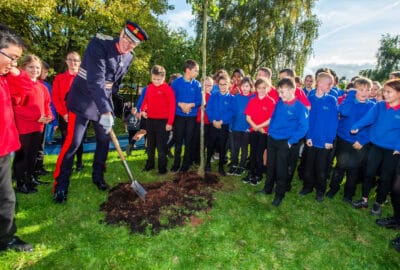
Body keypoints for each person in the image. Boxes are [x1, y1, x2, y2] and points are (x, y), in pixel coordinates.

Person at [53, 20, 148, 203]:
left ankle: (98, 177)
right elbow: (96, 81)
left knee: (104, 142)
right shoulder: (99, 44)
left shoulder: (129, 57)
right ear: (121, 33)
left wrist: (111, 106)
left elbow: (115, 83)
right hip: (82, 101)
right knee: (73, 143)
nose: (128, 45)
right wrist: (106, 110)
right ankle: (60, 186)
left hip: (103, 102)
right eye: (127, 39)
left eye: (133, 44)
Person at [0, 24, 33, 252]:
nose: (14, 63)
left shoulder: (4, 79)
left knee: (6, 198)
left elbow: (24, 91)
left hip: (3, 149)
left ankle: (6, 238)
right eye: (11, 57)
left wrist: (15, 71)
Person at [352, 79, 400, 215]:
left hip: (393, 151)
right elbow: (368, 118)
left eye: (389, 92)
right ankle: (364, 199)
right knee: (369, 173)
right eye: (384, 91)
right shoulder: (379, 106)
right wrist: (356, 126)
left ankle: (378, 203)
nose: (385, 94)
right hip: (376, 146)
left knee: (385, 178)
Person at [326, 78, 375, 203]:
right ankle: (333, 189)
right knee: (340, 166)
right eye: (360, 90)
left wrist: (363, 140)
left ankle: (348, 194)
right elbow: (344, 111)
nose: (364, 92)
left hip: (360, 143)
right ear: (355, 91)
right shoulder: (349, 102)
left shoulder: (373, 106)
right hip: (344, 140)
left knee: (354, 170)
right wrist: (351, 94)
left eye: (367, 90)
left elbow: (372, 126)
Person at [262, 78, 309, 206]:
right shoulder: (279, 103)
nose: (280, 95)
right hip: (272, 139)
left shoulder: (300, 108)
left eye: (283, 92)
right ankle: (267, 189)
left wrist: (291, 141)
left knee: (281, 169)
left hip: (285, 142)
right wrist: (270, 132)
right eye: (279, 92)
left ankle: (279, 194)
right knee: (270, 165)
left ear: (292, 90)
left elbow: (304, 127)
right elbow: (274, 118)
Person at [11, 54, 53, 194]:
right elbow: (15, 107)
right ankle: (20, 182)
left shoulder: (42, 87)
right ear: (23, 68)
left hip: (39, 126)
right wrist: (36, 116)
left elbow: (47, 104)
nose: (35, 70)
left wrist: (48, 116)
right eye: (31, 67)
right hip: (24, 127)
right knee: (23, 155)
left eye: (37, 67)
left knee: (34, 154)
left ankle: (31, 177)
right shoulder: (20, 86)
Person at [299, 72, 338, 202]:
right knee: (308, 167)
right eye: (329, 84)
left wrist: (329, 140)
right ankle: (308, 186)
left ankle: (320, 190)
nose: (331, 86)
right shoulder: (310, 98)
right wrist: (308, 137)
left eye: (331, 84)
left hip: (324, 142)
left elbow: (333, 122)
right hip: (311, 140)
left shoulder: (331, 100)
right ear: (320, 83)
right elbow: (307, 119)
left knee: (321, 169)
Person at [52, 51, 85, 172]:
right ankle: (67, 163)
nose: (73, 63)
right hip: (64, 115)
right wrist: (64, 113)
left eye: (76, 60)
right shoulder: (59, 78)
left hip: (81, 115)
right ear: (66, 61)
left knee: (79, 140)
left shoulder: (84, 79)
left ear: (80, 63)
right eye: (70, 59)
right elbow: (55, 98)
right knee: (66, 140)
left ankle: (79, 162)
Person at [140, 65, 175, 174]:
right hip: (150, 121)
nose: (156, 81)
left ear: (163, 78)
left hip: (163, 122)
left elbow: (172, 106)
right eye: (154, 79)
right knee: (150, 145)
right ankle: (149, 165)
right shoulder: (149, 88)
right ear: (151, 77)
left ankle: (162, 169)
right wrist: (143, 110)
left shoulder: (167, 89)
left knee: (161, 147)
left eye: (158, 79)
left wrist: (170, 122)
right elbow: (145, 101)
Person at [242, 78, 276, 185]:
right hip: (254, 131)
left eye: (264, 88)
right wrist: (255, 127)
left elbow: (271, 119)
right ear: (256, 88)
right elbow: (248, 117)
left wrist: (260, 127)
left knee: (259, 154)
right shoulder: (252, 100)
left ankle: (258, 174)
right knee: (252, 153)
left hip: (263, 133)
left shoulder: (271, 101)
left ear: (268, 88)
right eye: (259, 88)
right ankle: (251, 173)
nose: (261, 90)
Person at [170, 59, 202, 172]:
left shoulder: (197, 84)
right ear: (188, 70)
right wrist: (180, 104)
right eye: (195, 71)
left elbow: (200, 100)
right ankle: (176, 163)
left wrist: (190, 105)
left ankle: (185, 165)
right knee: (178, 141)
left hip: (191, 117)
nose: (197, 73)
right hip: (179, 116)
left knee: (189, 141)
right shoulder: (176, 83)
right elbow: (171, 98)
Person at [205, 73, 235, 176]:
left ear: (229, 85)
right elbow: (209, 109)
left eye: (224, 84)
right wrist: (213, 120)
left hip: (224, 126)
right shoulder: (214, 96)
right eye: (220, 84)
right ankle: (207, 163)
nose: (222, 86)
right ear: (218, 85)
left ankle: (221, 167)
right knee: (210, 145)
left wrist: (221, 121)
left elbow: (231, 112)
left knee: (222, 147)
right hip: (213, 124)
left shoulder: (232, 98)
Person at [228, 76, 254, 176]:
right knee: (235, 148)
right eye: (243, 86)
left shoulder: (253, 98)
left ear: (251, 87)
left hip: (246, 128)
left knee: (244, 148)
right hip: (236, 127)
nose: (245, 88)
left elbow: (254, 115)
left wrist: (250, 127)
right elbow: (232, 112)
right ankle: (233, 165)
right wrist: (231, 125)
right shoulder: (237, 97)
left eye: (247, 86)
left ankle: (241, 166)